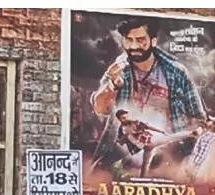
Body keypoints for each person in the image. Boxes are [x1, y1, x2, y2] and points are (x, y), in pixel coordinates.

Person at [89, 16, 208, 178]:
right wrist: (113, 85)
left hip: (164, 166)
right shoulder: (119, 68)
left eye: (140, 40)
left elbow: (198, 118)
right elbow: (100, 108)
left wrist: (179, 148)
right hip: (116, 165)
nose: (134, 46)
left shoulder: (176, 72)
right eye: (128, 40)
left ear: (153, 41)